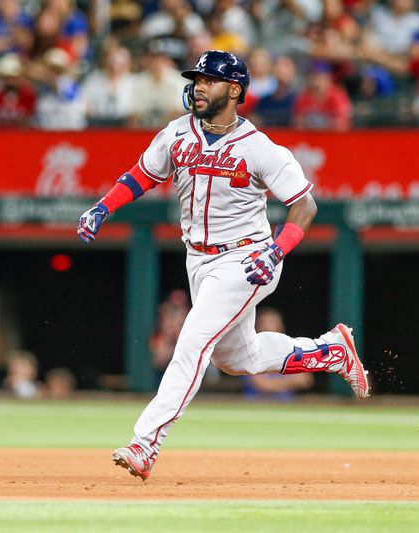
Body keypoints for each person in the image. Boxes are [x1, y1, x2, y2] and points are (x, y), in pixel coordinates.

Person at [77, 50, 370, 480]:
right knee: (238, 358)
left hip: (247, 258)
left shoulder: (259, 148)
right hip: (199, 258)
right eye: (196, 79)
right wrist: (103, 207)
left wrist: (278, 251)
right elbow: (142, 174)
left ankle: (146, 444)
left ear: (234, 90)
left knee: (192, 341)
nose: (198, 86)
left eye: (209, 80)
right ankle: (329, 350)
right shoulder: (177, 133)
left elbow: (304, 206)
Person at [240, 307, 313, 400]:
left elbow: (305, 380)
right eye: (264, 323)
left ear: (281, 327)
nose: (267, 327)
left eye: (272, 322)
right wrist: (290, 381)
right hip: (256, 404)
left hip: (286, 405)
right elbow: (262, 385)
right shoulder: (249, 350)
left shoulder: (292, 348)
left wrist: (273, 383)